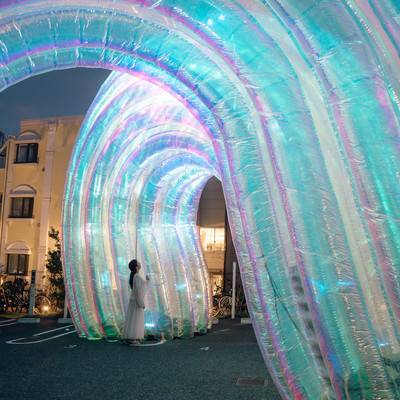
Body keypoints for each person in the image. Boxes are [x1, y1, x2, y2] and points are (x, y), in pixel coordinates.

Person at [122, 259, 150, 345]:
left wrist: (146, 282)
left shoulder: (134, 276)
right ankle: (133, 338)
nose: (140, 263)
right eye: (138, 262)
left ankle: (130, 337)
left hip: (133, 300)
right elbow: (139, 290)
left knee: (132, 319)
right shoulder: (137, 276)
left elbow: (138, 288)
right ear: (136, 267)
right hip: (136, 301)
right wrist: (141, 302)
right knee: (136, 319)